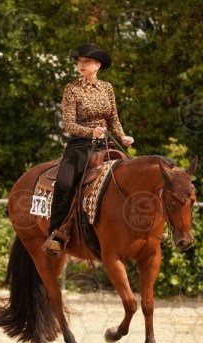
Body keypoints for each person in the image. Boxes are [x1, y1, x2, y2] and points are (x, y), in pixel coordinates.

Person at [45, 43, 134, 253]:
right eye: (79, 61)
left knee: (131, 178)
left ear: (97, 65)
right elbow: (69, 124)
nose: (81, 65)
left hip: (105, 145)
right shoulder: (72, 88)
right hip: (80, 145)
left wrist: (122, 136)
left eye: (86, 61)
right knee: (64, 184)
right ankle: (55, 233)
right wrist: (90, 132)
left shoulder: (107, 88)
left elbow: (113, 119)